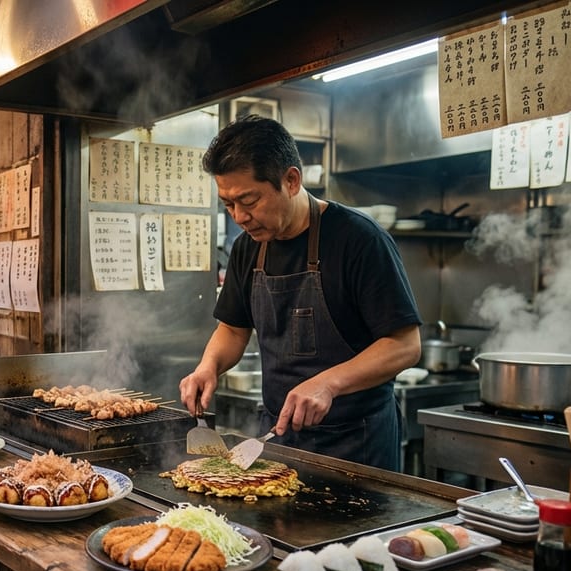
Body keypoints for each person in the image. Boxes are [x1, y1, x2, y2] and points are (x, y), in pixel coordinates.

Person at [179, 116, 421, 471]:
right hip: (278, 439)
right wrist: (208, 366)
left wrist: (328, 383)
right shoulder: (248, 248)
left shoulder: (359, 240)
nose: (239, 217)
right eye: (229, 204)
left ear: (291, 181)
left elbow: (405, 344)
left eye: (248, 200)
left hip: (356, 444)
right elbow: (232, 329)